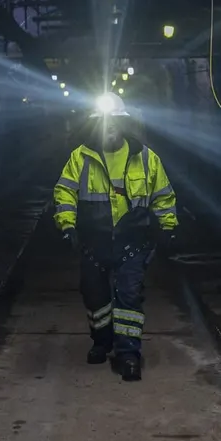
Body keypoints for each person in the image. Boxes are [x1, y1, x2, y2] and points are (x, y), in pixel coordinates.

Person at [53, 93, 177, 381]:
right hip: (93, 241)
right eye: (103, 123)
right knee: (94, 296)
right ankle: (101, 341)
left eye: (113, 122)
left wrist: (168, 227)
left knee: (129, 296)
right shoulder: (80, 157)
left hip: (133, 240)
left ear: (122, 123)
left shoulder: (146, 158)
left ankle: (129, 353)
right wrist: (67, 225)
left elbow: (163, 195)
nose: (109, 128)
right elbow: (64, 193)